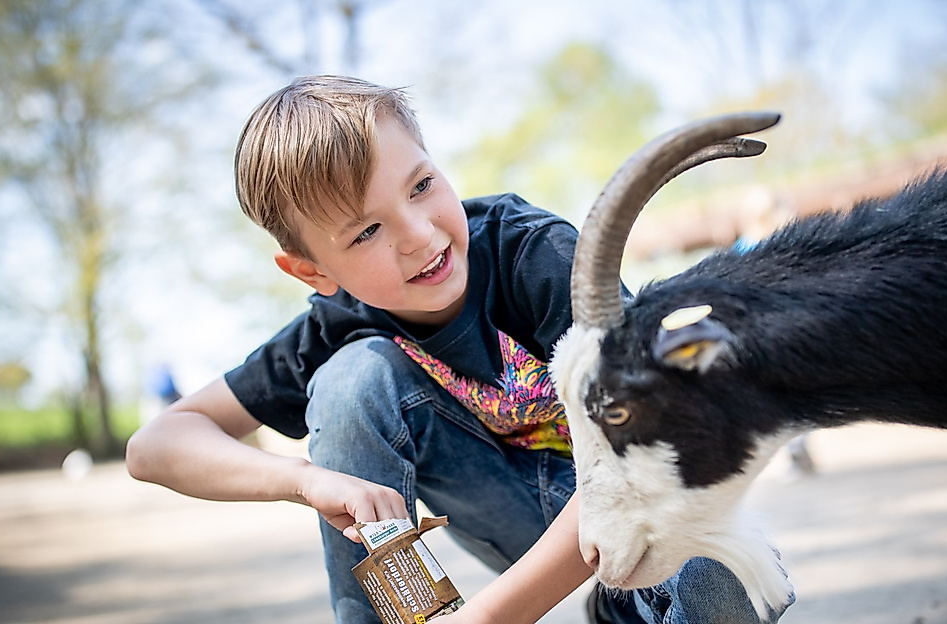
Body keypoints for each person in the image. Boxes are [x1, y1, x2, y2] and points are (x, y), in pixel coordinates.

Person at [125, 75, 792, 624]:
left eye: (421, 186)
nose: (419, 234)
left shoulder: (537, 256)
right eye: (365, 233)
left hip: (643, 515)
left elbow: (635, 464)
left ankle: (639, 610)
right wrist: (304, 481)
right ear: (311, 272)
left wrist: (485, 620)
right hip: (527, 519)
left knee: (719, 580)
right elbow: (155, 446)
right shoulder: (336, 323)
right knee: (350, 380)